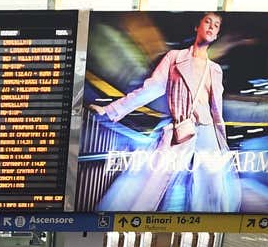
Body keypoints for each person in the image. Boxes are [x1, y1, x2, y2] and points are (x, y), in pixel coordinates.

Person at [89, 11, 240, 212]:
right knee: (151, 183)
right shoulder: (174, 58)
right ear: (198, 26)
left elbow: (216, 110)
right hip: (180, 128)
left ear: (217, 35)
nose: (211, 27)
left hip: (208, 134)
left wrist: (222, 143)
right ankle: (128, 221)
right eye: (208, 22)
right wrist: (110, 110)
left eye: (216, 25)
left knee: (211, 195)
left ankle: (201, 229)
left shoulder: (215, 69)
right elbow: (149, 90)